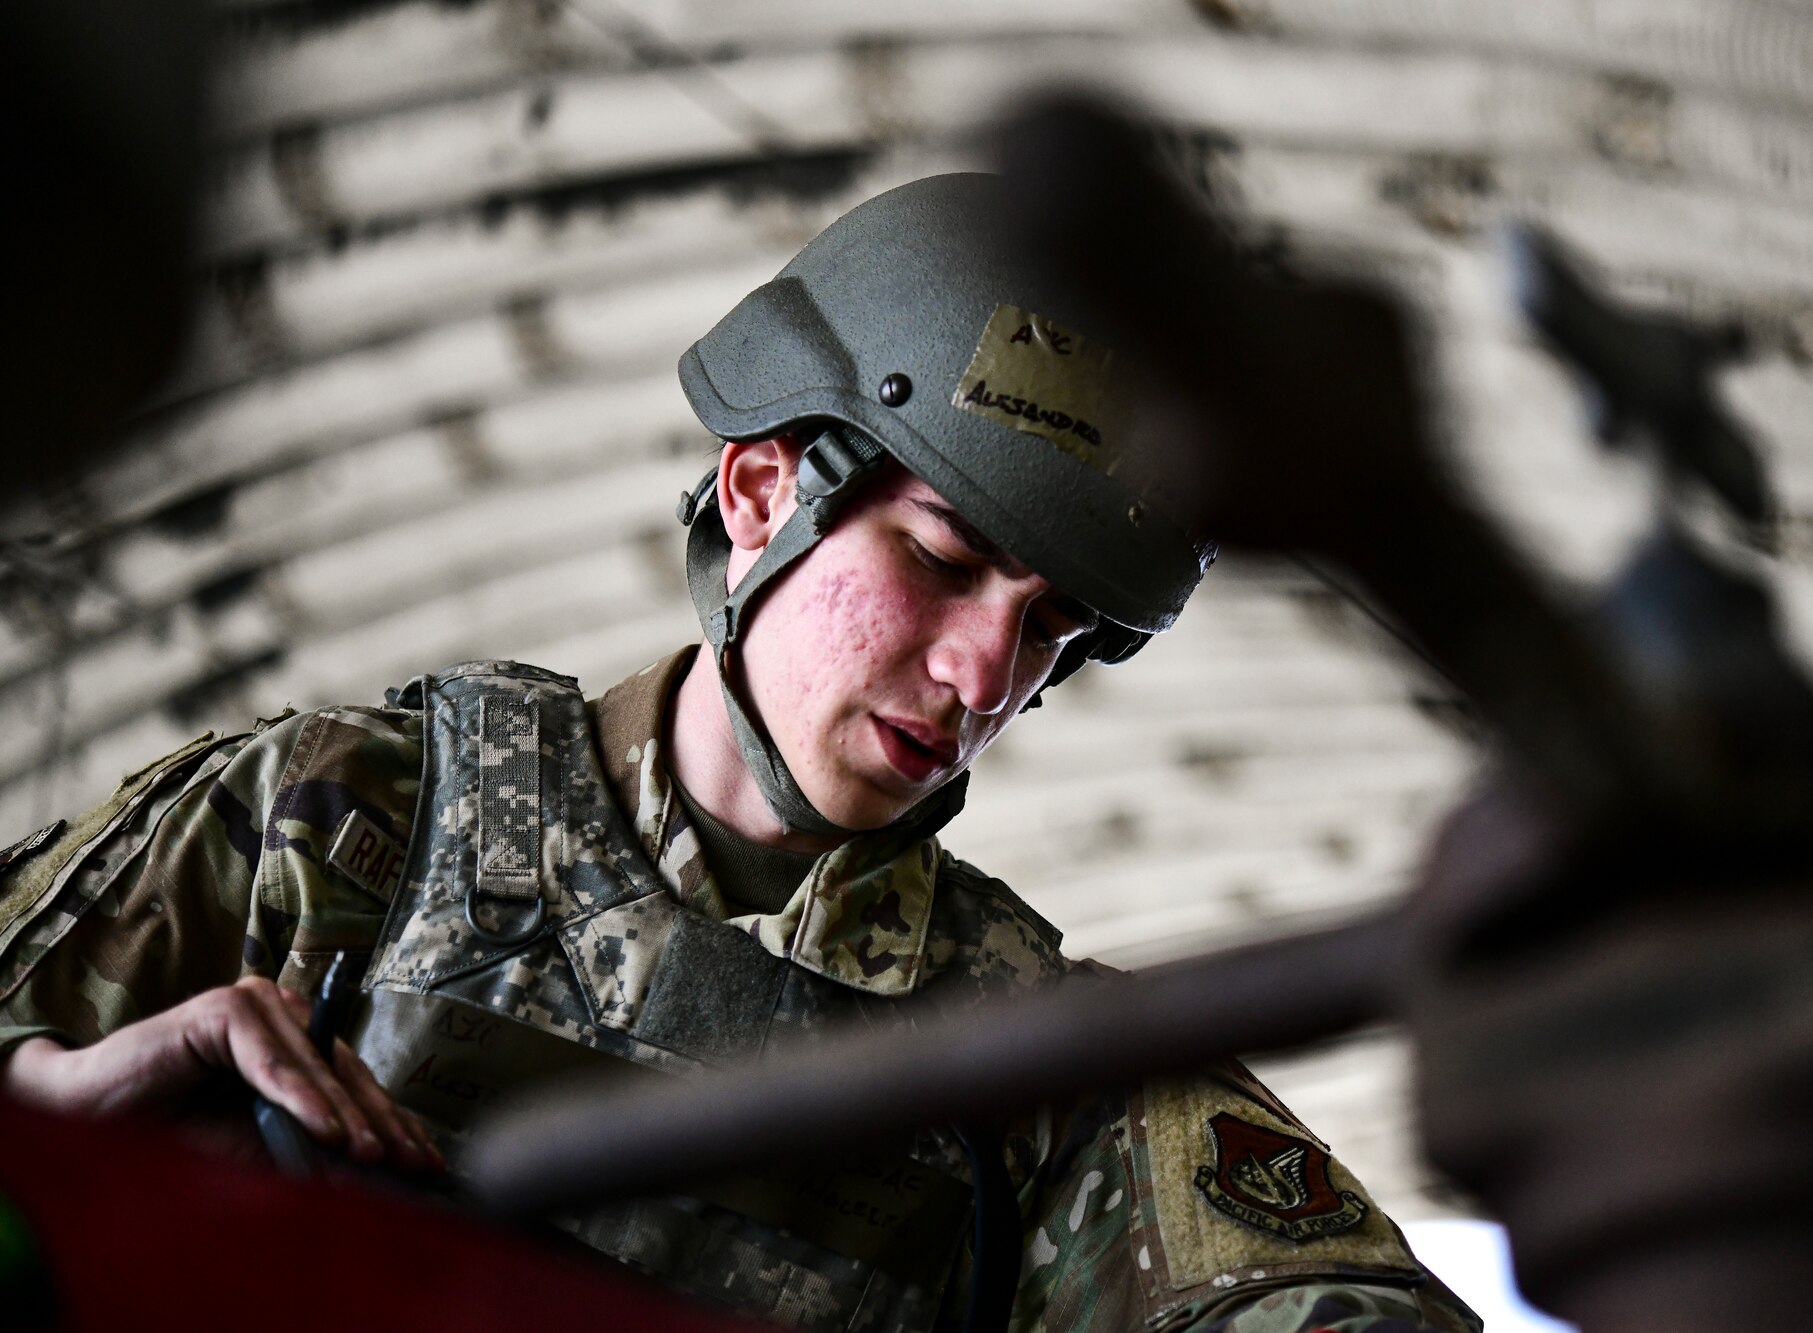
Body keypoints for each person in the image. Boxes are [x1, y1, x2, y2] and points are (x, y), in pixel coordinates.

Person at [0, 174, 1478, 1333]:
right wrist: (47, 1108)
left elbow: (1314, 1307)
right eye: (946, 558)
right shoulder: (337, 818)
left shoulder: (1022, 1064)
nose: (987, 675)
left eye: (1053, 628)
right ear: (765, 487)